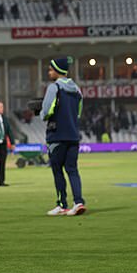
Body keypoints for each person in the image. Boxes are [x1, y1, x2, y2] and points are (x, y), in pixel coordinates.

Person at [40, 57, 86, 217]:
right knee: (72, 170)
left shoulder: (54, 88)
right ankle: (78, 202)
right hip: (73, 135)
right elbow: (78, 113)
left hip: (57, 136)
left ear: (58, 71)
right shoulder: (77, 90)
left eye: (51, 69)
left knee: (57, 170)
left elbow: (47, 112)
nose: (49, 72)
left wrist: (40, 113)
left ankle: (62, 204)